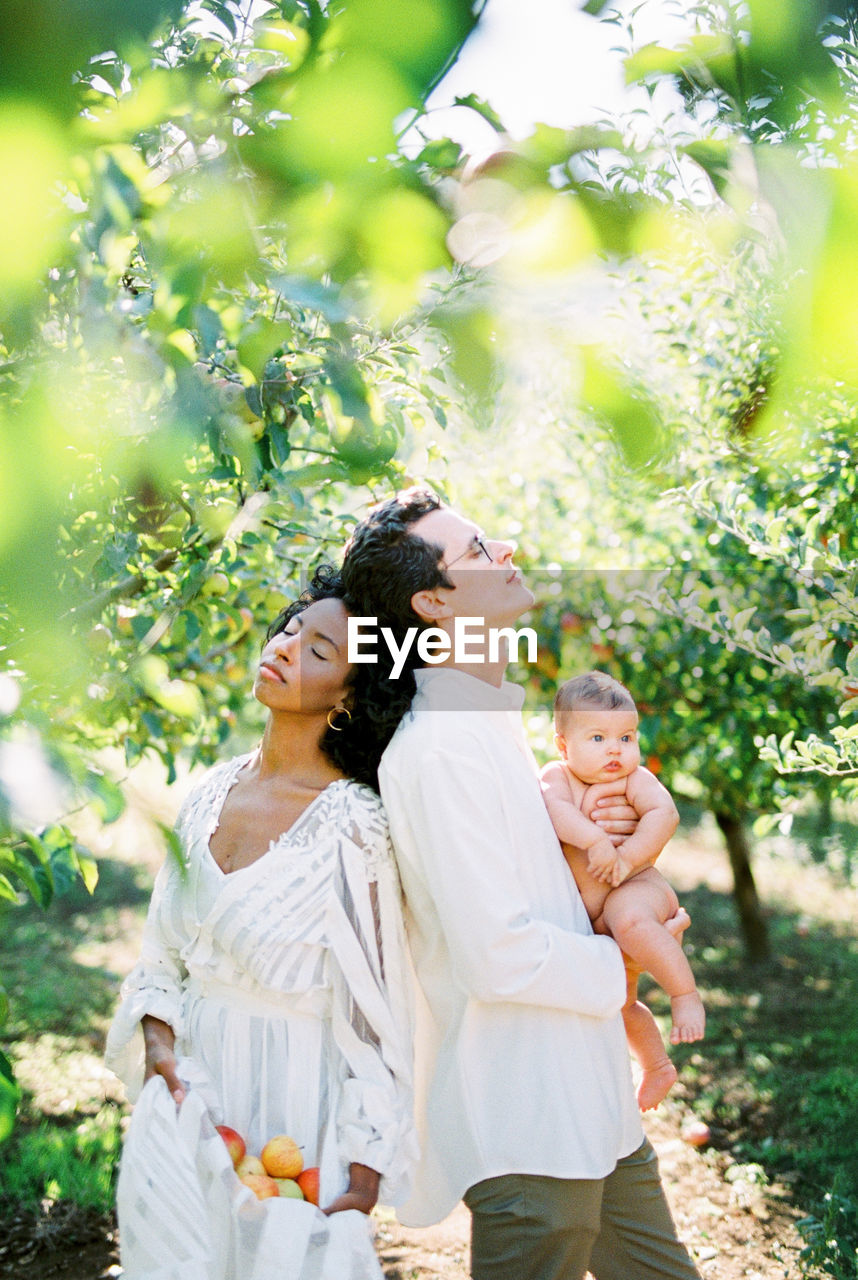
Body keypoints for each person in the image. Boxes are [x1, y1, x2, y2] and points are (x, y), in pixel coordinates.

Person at [341, 488, 702, 1280]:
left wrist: (619, 909)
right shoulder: (439, 751)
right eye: (475, 550)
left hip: (590, 1092)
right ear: (433, 603)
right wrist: (626, 965)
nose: (503, 547)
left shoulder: (493, 723)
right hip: (530, 1120)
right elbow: (496, 953)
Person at [104, 568, 418, 1280]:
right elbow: (161, 954)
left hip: (296, 1105)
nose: (283, 645)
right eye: (291, 628)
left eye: (318, 650)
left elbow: (374, 1010)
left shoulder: (354, 824)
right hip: (189, 1089)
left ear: (349, 695)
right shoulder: (208, 791)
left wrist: (364, 1169)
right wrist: (161, 1057)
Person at [540, 670, 705, 1113]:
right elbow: (552, 810)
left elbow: (664, 815)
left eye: (626, 737)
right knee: (621, 1002)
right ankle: (655, 1066)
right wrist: (594, 840)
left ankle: (684, 995)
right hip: (600, 919)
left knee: (631, 920)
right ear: (563, 745)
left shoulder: (634, 780)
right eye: (597, 738)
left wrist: (628, 858)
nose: (615, 749)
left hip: (638, 887)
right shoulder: (558, 778)